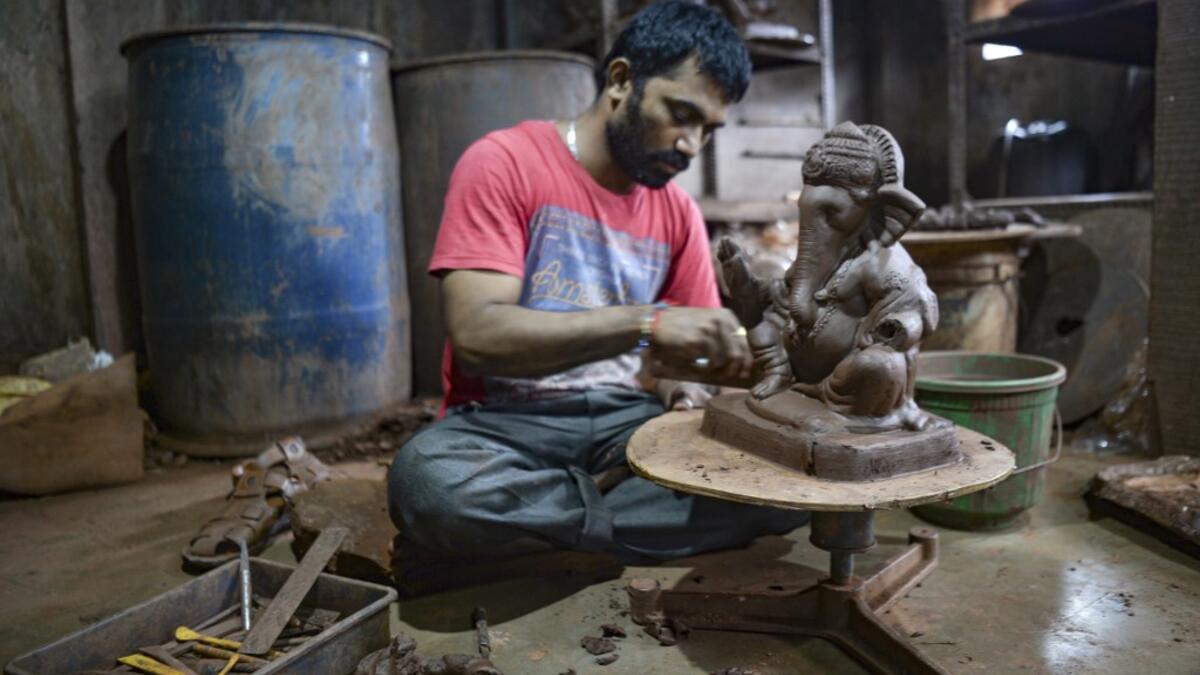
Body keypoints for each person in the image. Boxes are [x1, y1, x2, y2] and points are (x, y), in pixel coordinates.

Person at [388, 1, 808, 562]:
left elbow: (681, 366)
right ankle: (627, 519)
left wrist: (684, 390)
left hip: (627, 425)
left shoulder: (678, 212)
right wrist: (646, 324)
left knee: (790, 473)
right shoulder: (503, 163)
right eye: (681, 114)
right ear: (621, 80)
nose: (691, 145)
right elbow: (478, 336)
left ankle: (550, 529)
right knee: (428, 483)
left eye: (708, 129)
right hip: (507, 426)